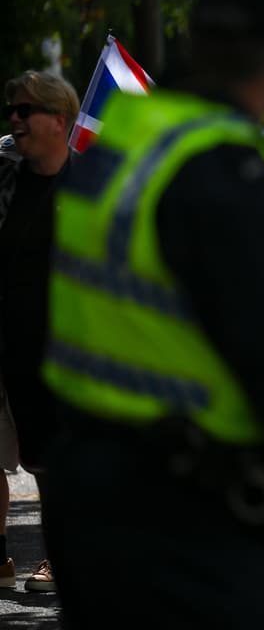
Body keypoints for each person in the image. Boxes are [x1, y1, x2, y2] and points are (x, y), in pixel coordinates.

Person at [39, 0, 264, 628]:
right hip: (183, 519)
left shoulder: (123, 142)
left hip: (84, 495)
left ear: (192, 41)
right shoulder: (219, 165)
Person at [0, 71, 81, 593]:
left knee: (56, 466)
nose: (14, 118)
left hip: (68, 353)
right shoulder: (4, 177)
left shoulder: (90, 186)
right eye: (11, 108)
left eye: (24, 109)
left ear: (58, 120)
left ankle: (65, 561)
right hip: (10, 346)